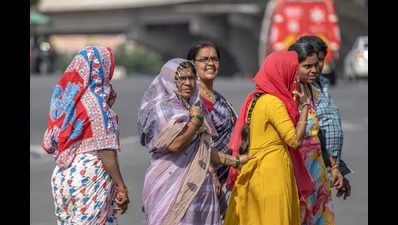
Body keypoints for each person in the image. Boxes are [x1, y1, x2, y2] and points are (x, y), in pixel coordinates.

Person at [137, 58, 254, 225]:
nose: (188, 83)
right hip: (169, 185)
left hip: (199, 188)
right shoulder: (161, 109)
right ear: (169, 81)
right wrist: (194, 122)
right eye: (181, 78)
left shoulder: (193, 106)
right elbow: (175, 145)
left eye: (191, 78)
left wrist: (234, 161)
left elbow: (202, 148)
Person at [224, 51, 315, 225]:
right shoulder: (273, 103)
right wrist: (304, 106)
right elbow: (294, 140)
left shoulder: (254, 99)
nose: (295, 80)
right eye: (293, 73)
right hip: (272, 175)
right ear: (283, 73)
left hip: (252, 174)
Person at [41, 46, 130, 224]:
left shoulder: (67, 100)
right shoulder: (97, 105)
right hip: (88, 179)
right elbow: (106, 151)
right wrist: (121, 187)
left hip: (62, 177)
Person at [288, 41, 344, 225]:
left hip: (316, 168)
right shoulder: (286, 95)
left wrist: (334, 167)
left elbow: (318, 135)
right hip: (295, 170)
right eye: (307, 66)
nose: (315, 70)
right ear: (294, 66)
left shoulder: (312, 91)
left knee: (319, 217)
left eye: (316, 64)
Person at [296, 35, 353, 200]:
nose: (317, 67)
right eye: (310, 64)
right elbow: (314, 133)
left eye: (320, 61)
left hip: (325, 166)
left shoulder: (321, 84)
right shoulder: (300, 91)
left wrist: (336, 168)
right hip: (309, 168)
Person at [186, 41, 238, 219]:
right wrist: (210, 171)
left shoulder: (220, 99)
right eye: (204, 59)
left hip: (226, 176)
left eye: (214, 59)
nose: (210, 63)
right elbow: (192, 142)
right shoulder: (191, 99)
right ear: (193, 64)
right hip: (202, 177)